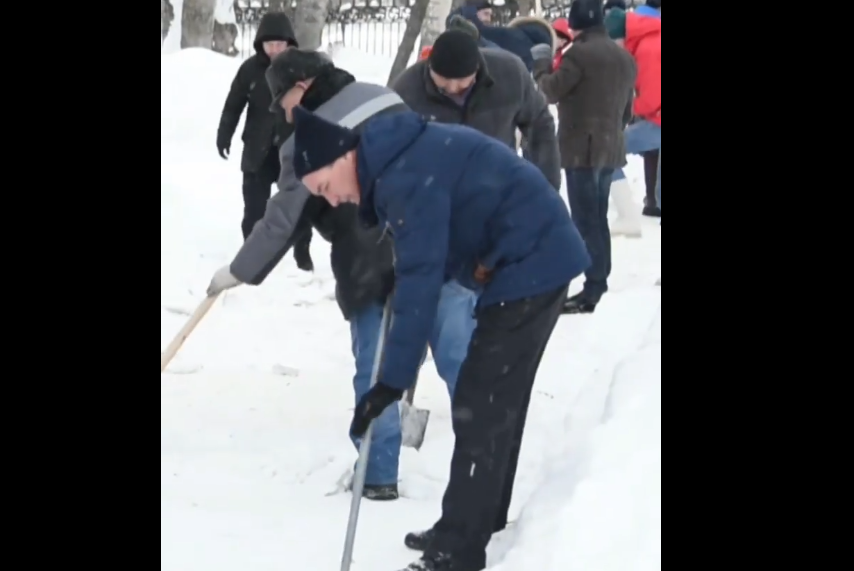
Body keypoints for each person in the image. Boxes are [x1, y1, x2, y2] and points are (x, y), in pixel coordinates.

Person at [289, 107, 590, 571]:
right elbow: (439, 244)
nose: (332, 199)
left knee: (482, 402)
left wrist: (390, 383)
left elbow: (422, 284)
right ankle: (473, 520)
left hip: (533, 262)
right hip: (529, 255)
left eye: (326, 186)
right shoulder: (396, 159)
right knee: (492, 401)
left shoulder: (401, 176)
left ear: (343, 157)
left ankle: (457, 550)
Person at [205, 48, 477, 502]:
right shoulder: (381, 95)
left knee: (376, 368)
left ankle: (377, 472)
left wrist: (238, 269)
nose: (284, 113)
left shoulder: (306, 140)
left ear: (302, 87)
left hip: (367, 258)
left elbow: (283, 217)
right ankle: (486, 464)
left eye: (283, 102)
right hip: (434, 240)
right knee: (460, 355)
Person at [532, 0, 636, 315]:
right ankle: (598, 279)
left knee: (586, 219)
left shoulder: (578, 54)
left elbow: (549, 91)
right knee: (598, 217)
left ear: (576, 25)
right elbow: (627, 111)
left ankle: (592, 288)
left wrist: (541, 62)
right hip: (610, 147)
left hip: (583, 149)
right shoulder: (623, 56)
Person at [391, 30, 561, 189]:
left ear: (477, 71)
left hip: (497, 188)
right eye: (443, 84)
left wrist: (546, 187)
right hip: (434, 192)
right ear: (430, 69)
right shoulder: (407, 90)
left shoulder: (510, 74)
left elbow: (540, 124)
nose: (452, 88)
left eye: (461, 82)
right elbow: (390, 149)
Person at [214, 13, 313, 271]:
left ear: (289, 43)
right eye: (270, 45)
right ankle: (252, 255)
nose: (275, 50)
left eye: (280, 44)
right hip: (257, 149)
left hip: (291, 148)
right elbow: (234, 104)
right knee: (254, 208)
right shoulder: (250, 70)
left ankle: (302, 251)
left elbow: (318, 104)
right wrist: (224, 133)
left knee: (299, 205)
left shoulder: (301, 69)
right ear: (261, 44)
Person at [606, 8, 660, 219]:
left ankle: (627, 215)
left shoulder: (648, 50)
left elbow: (652, 98)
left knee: (609, 149)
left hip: (657, 120)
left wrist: (625, 109)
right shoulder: (650, 39)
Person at [448, 0, 556, 71]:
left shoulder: (508, 38)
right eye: (486, 14)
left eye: (490, 15)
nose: (489, 19)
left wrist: (463, 16)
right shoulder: (513, 37)